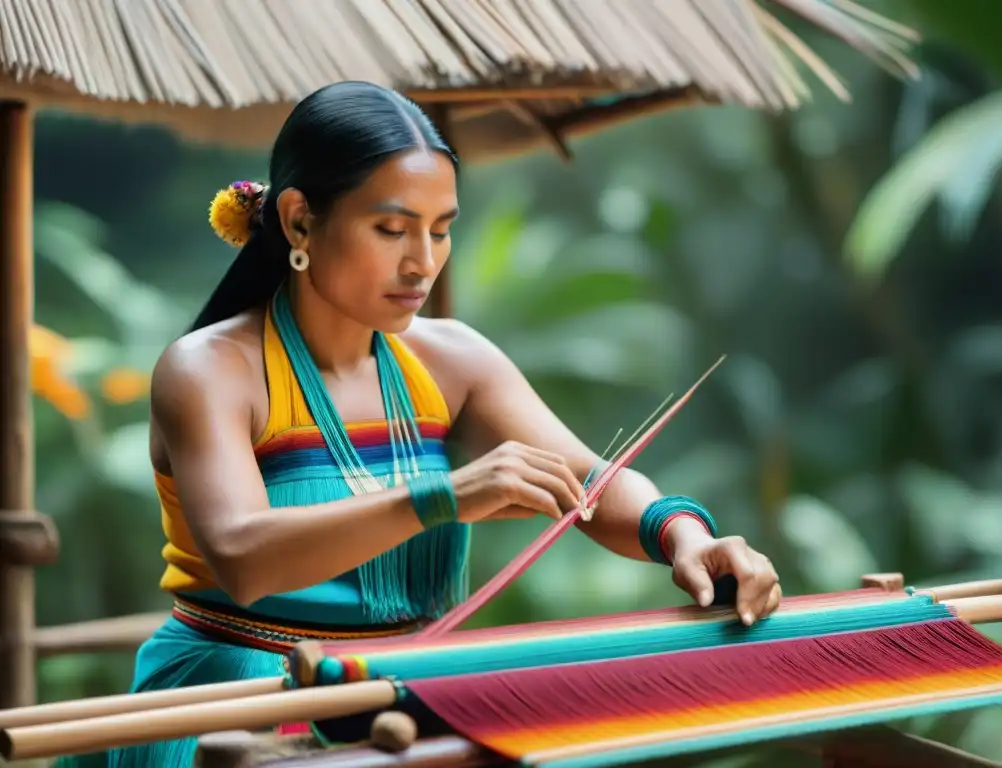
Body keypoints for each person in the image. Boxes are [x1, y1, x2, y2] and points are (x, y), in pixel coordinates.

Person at [92, 81, 781, 767]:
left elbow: (590, 485)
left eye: (442, 229)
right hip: (242, 704)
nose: (422, 260)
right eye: (391, 229)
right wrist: (444, 496)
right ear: (300, 222)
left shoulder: (453, 360)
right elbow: (243, 559)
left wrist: (684, 535)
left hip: (403, 700)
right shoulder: (208, 369)